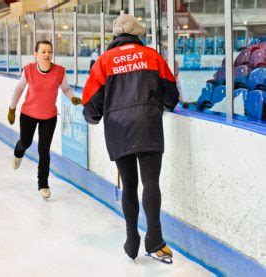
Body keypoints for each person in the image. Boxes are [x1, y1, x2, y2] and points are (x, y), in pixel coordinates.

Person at [82, 14, 179, 261]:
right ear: (138, 34)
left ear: (116, 36)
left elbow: (91, 104)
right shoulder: (153, 56)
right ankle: (155, 241)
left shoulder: (104, 61)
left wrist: (93, 117)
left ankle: (131, 239)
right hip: (148, 124)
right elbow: (171, 96)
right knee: (151, 183)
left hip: (118, 128)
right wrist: (162, 103)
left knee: (129, 185)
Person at [7, 40, 82, 199]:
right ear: (36, 54)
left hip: (49, 116)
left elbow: (66, 88)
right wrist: (12, 109)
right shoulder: (29, 70)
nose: (47, 54)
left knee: (44, 150)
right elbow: (20, 88)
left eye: (50, 51)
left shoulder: (59, 71)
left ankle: (43, 184)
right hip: (28, 114)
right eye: (43, 51)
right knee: (25, 142)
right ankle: (18, 152)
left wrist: (72, 98)